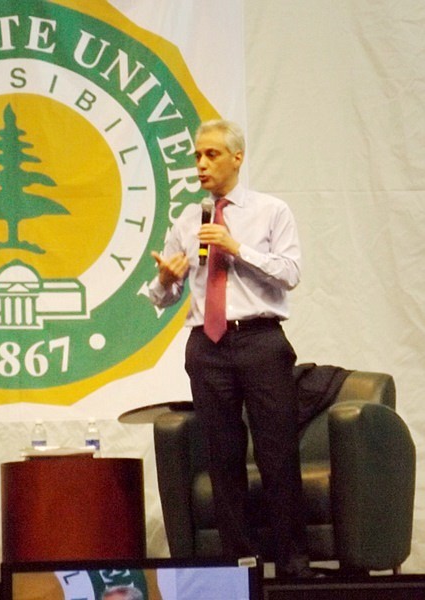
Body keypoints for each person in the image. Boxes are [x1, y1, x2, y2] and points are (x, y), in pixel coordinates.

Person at [149, 119, 313, 578]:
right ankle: (238, 562)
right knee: (221, 457)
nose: (201, 164)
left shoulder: (270, 211)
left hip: (260, 340)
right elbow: (165, 297)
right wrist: (163, 281)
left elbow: (290, 272)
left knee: (277, 452)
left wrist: (236, 246)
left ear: (237, 158)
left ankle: (293, 561)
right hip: (207, 345)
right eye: (197, 156)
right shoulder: (188, 219)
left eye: (211, 155)